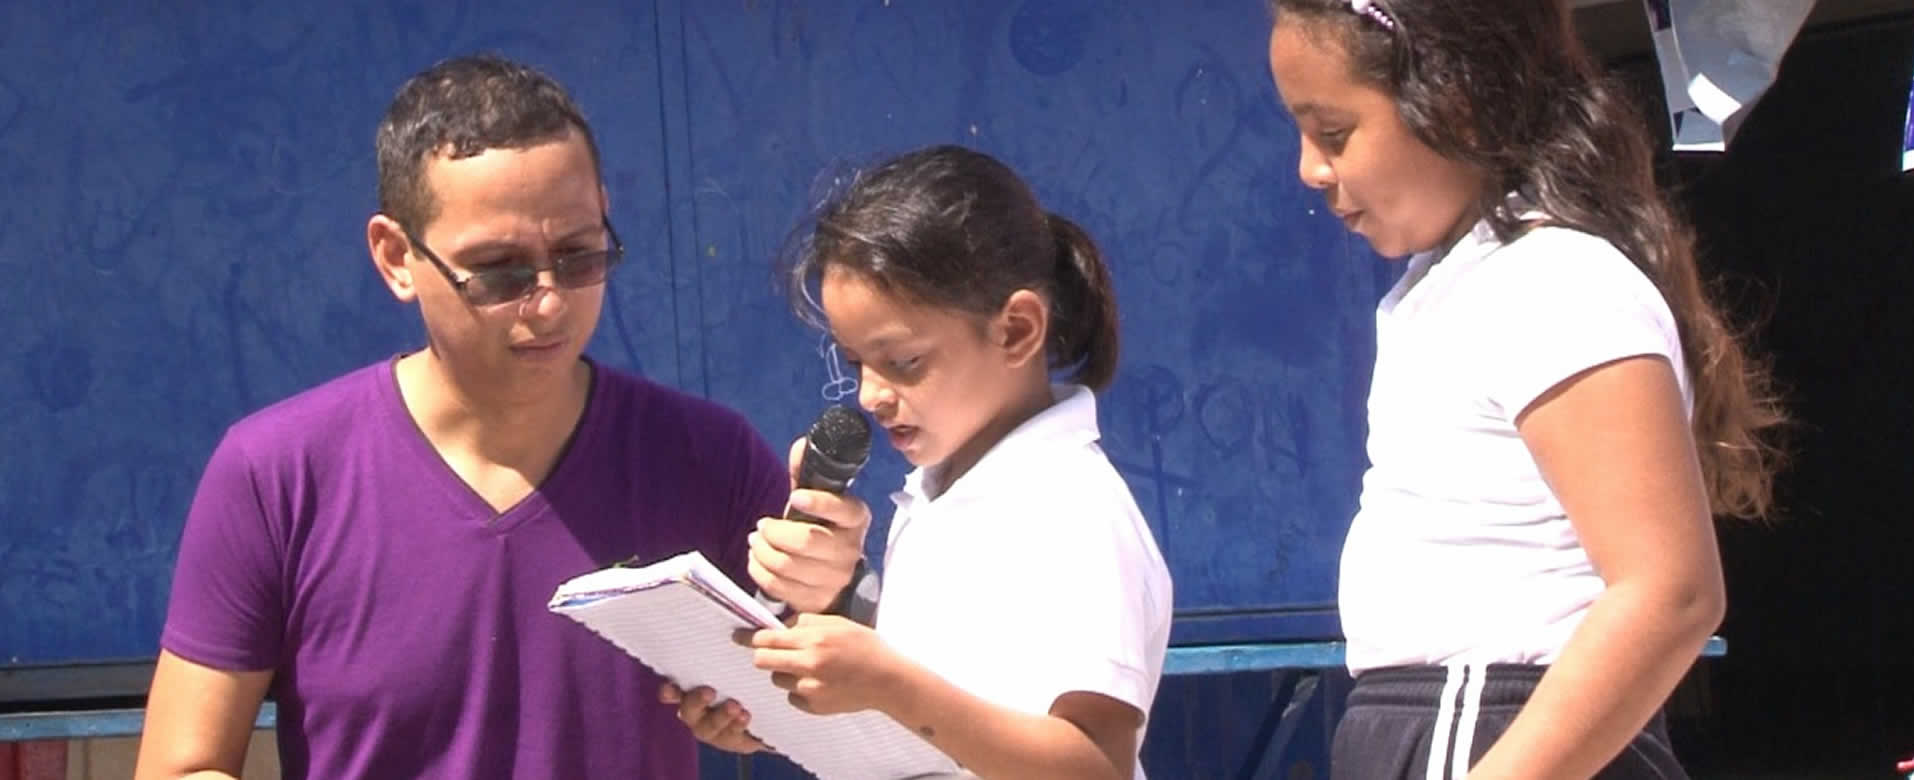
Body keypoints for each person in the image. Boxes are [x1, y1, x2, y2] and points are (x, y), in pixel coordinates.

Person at [134, 53, 867, 780]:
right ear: (395, 257)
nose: (548, 302)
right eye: (499, 270)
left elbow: (849, 718)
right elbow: (181, 764)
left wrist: (830, 602)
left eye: (580, 256)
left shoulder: (708, 456)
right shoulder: (278, 474)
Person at [1261, 1, 1787, 777]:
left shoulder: (1553, 280)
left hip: (1491, 723)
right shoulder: (1446, 286)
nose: (1309, 168)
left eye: (1334, 133)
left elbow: (1670, 590)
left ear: (1456, 101)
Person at [665, 145, 1174, 779]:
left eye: (903, 361)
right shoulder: (939, 492)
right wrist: (783, 704)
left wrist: (887, 683)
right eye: (855, 364)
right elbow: (939, 718)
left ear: (1016, 330)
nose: (871, 395)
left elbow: (1096, 765)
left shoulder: (1072, 511)